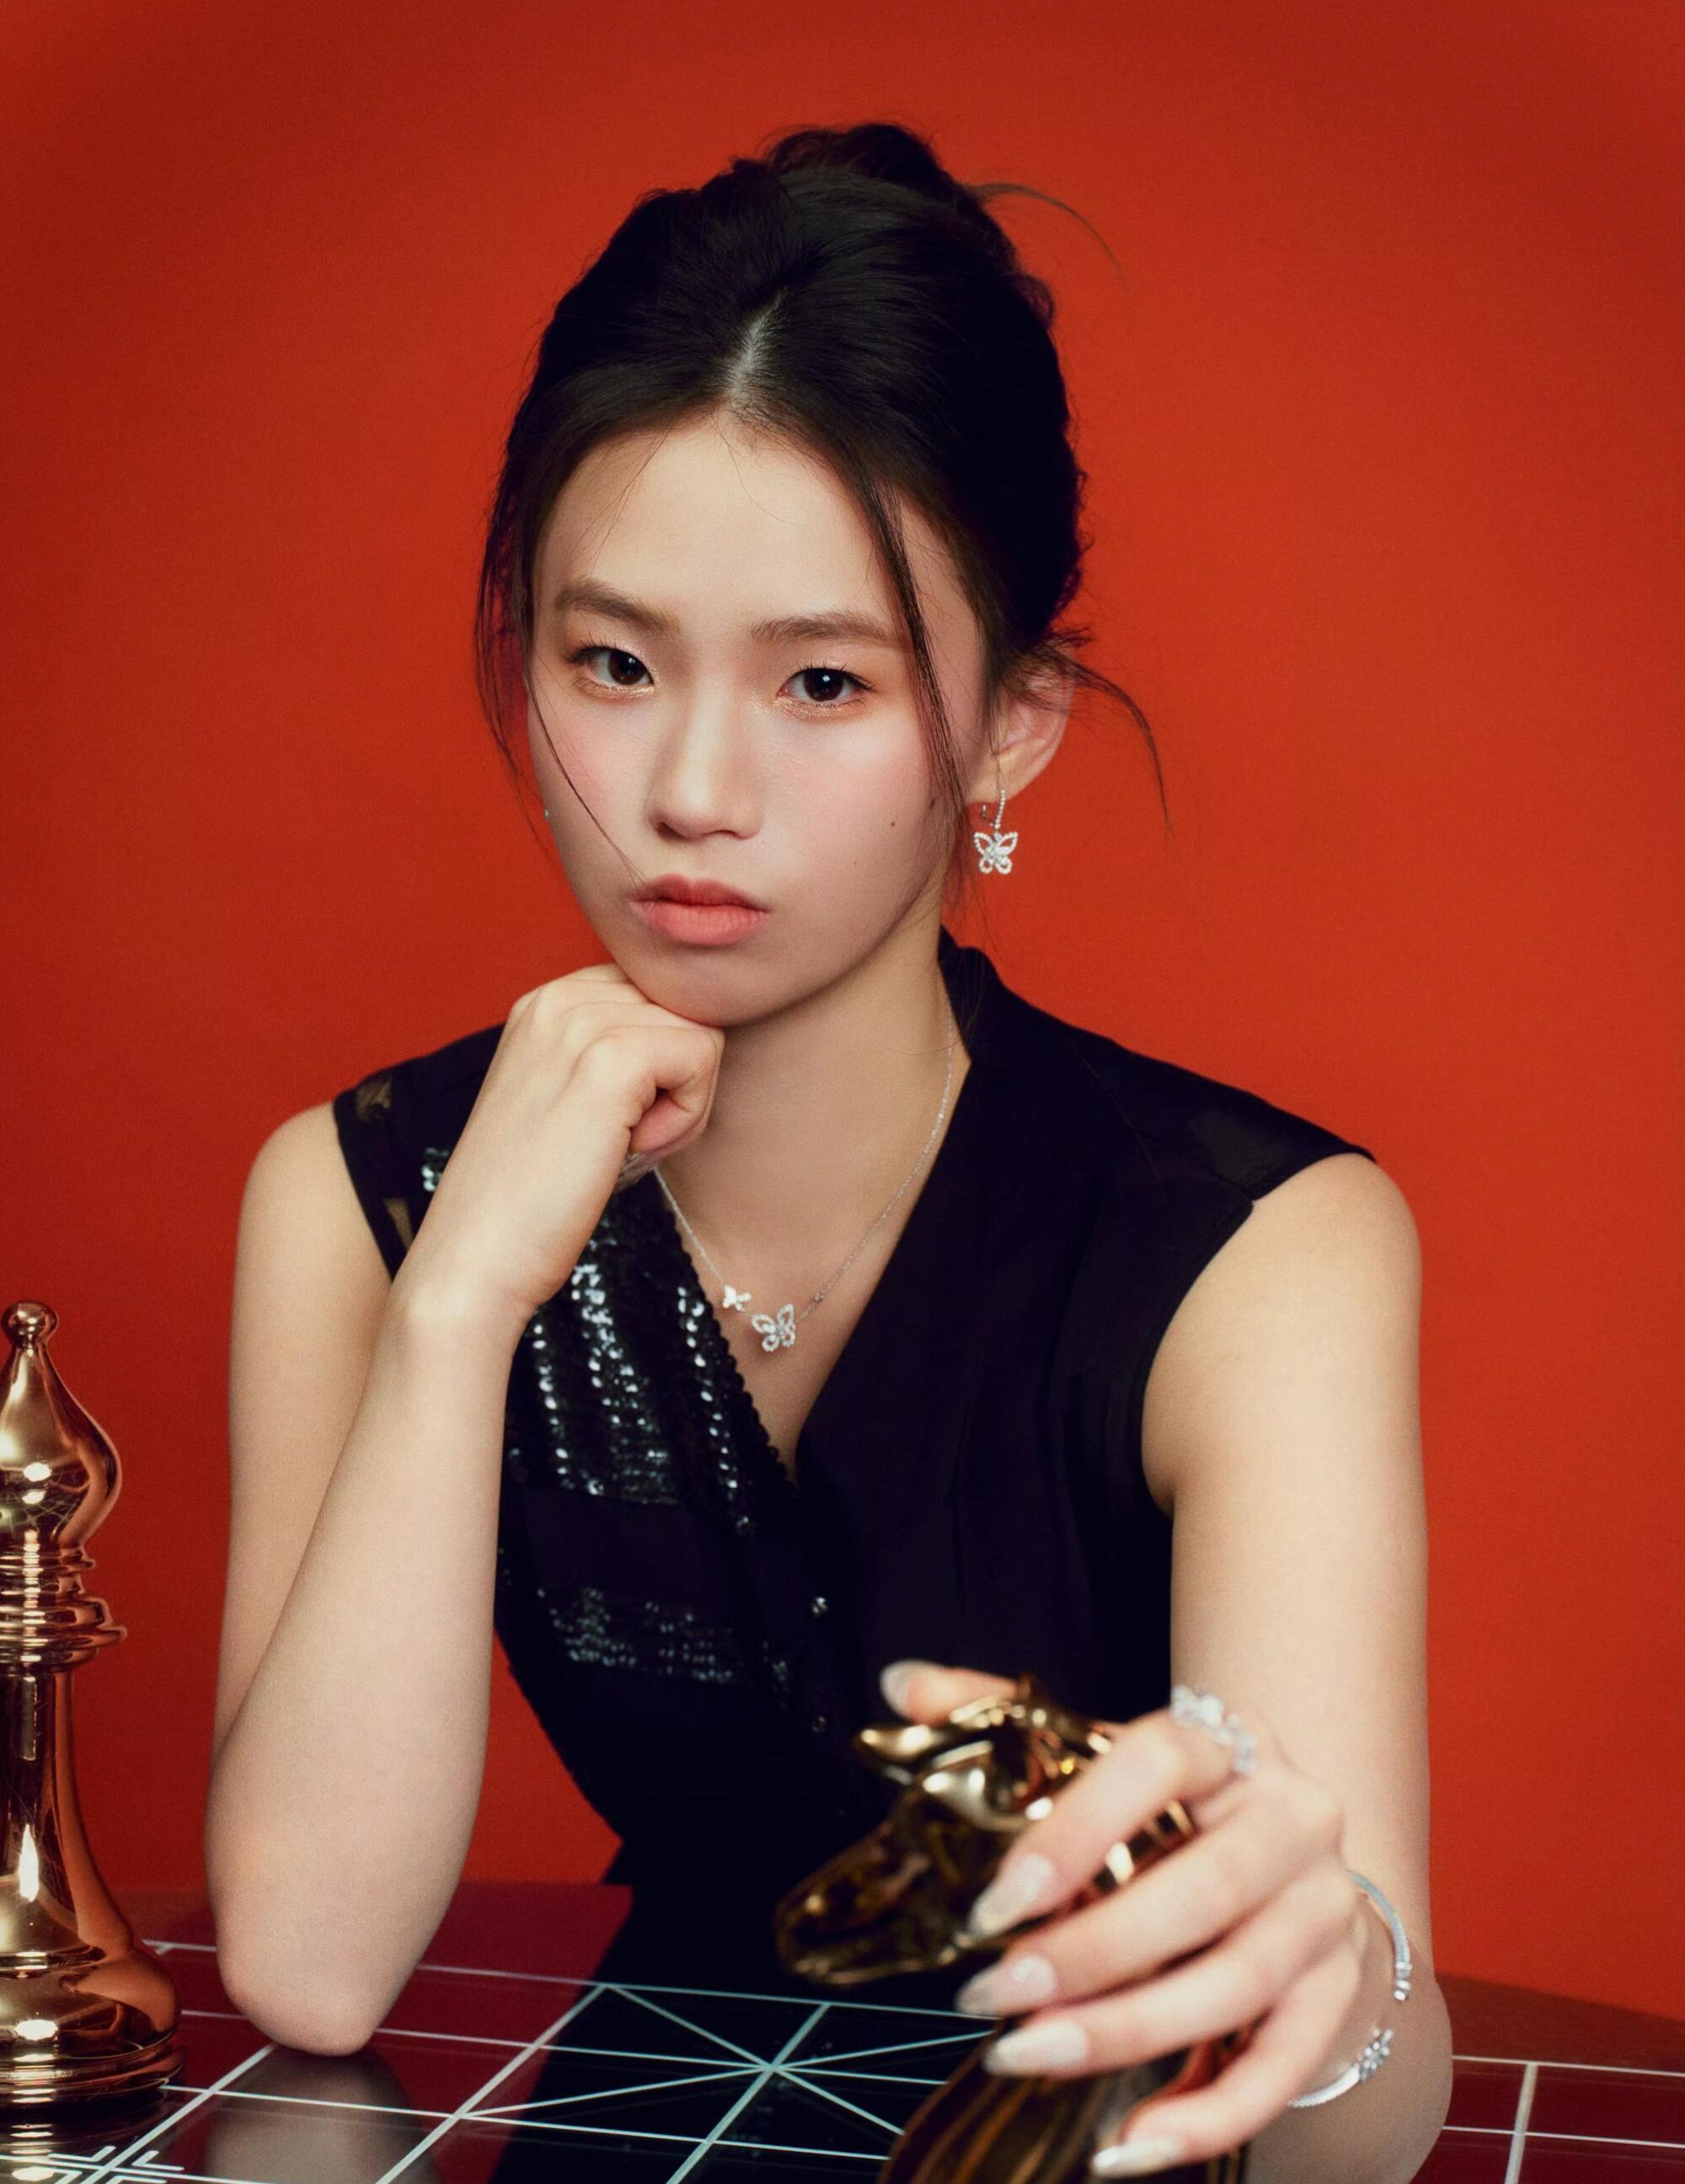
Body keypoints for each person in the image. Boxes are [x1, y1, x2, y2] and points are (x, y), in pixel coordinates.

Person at [206, 122, 1452, 2180]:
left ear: (1011, 723)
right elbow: (314, 1972)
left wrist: (1324, 1979)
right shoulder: (364, 1198)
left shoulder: (1250, 1249)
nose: (693, 789)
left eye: (821, 681)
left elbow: (1361, 2138)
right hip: (634, 2128)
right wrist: (462, 1304)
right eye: (612, 664)